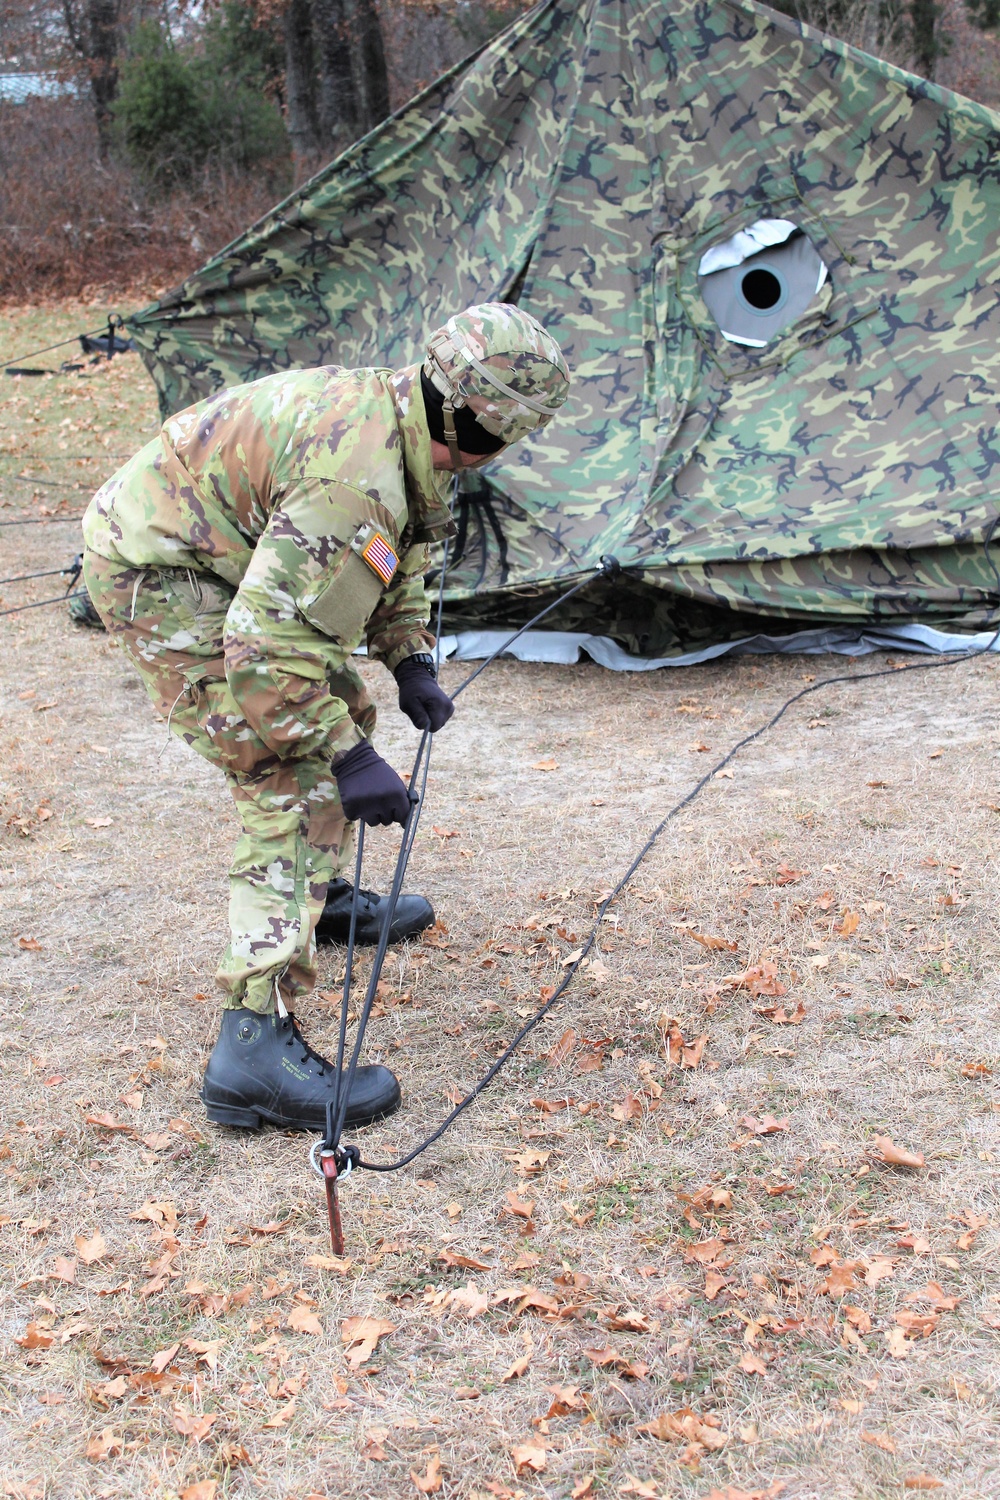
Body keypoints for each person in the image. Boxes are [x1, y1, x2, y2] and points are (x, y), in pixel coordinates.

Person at [81, 303, 570, 1133]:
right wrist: (345, 762)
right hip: (160, 572)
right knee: (292, 778)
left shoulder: (405, 419)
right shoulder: (358, 481)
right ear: (494, 426)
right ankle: (251, 1050)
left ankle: (321, 894)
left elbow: (388, 557)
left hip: (217, 552)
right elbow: (263, 652)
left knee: (341, 703)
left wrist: (410, 656)